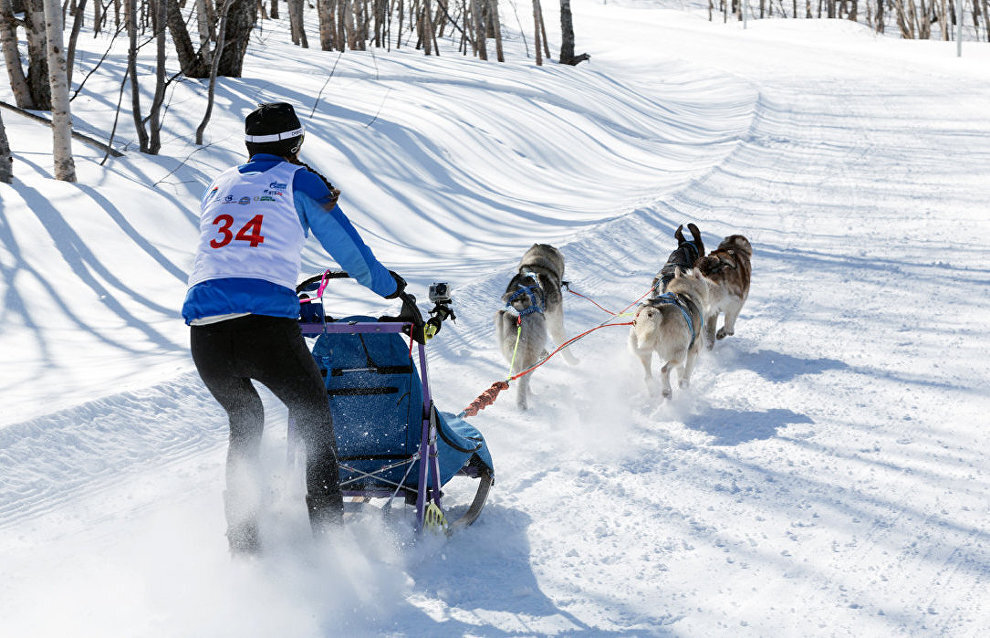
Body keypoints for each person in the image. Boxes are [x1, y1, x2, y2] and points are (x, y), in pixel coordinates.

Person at [182, 102, 418, 554]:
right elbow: (349, 250)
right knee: (314, 420)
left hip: (205, 330)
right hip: (265, 326)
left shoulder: (218, 184)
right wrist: (392, 290)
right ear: (296, 143)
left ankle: (244, 547)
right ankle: (330, 544)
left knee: (244, 421)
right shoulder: (300, 180)